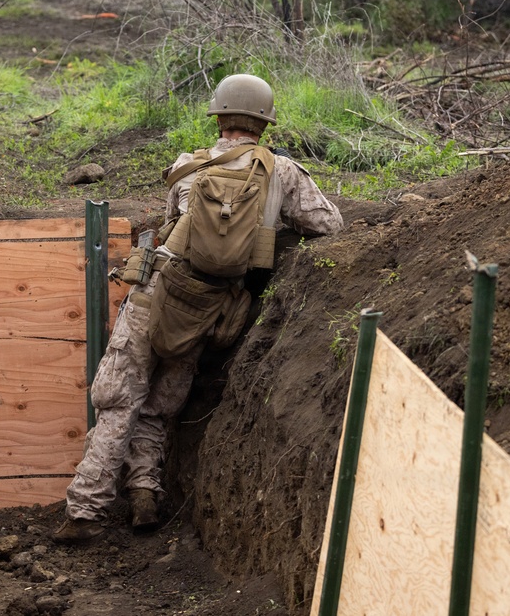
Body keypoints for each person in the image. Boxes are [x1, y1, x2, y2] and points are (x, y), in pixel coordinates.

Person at [53, 74, 344, 542]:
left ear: (220, 118)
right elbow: (329, 223)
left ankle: (85, 512)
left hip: (156, 293)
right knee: (158, 408)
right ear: (264, 123)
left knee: (119, 403)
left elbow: (171, 225)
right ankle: (144, 494)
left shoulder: (188, 166)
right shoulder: (283, 172)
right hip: (208, 307)